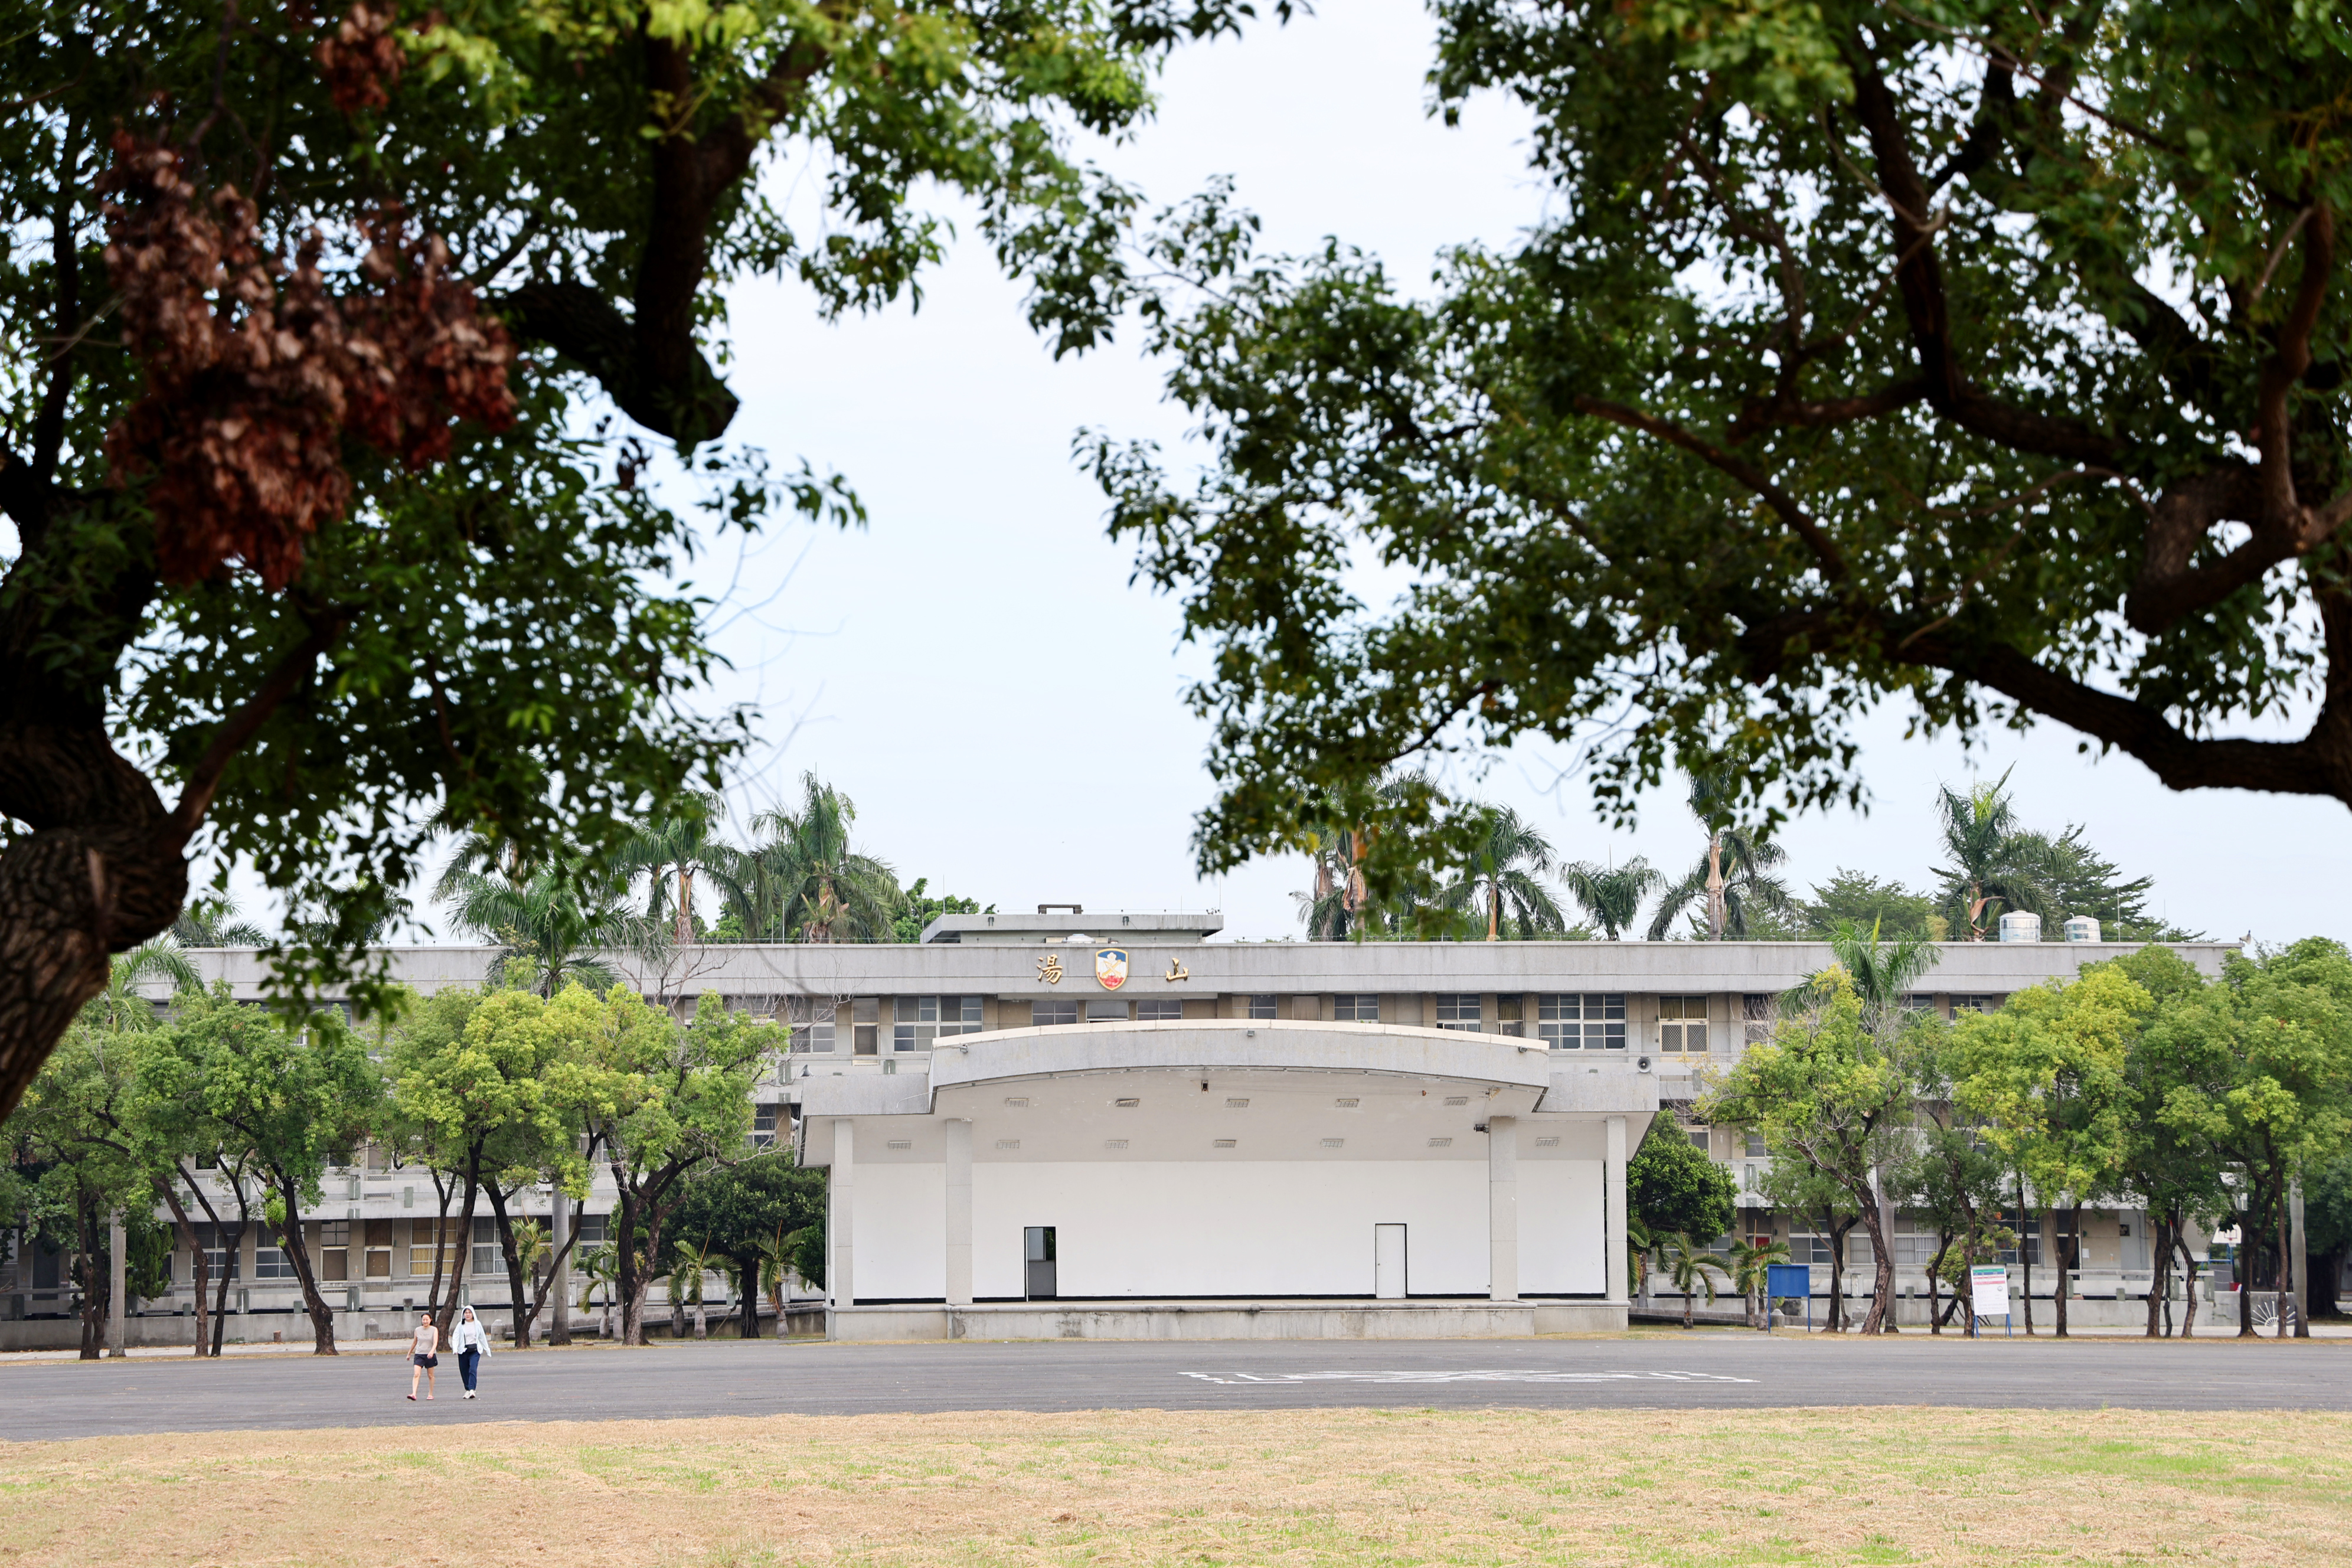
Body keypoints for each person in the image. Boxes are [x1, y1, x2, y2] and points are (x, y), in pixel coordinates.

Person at [451, 1304, 494, 1399]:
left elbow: (482, 1337)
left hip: (475, 1350)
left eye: (470, 1313)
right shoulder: (460, 1325)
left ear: (473, 1314)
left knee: (473, 1369)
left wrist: (487, 1349)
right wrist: (455, 1349)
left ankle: (472, 1389)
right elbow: (456, 1337)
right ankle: (467, 1389)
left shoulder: (477, 1324)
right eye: (466, 1313)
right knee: (464, 1371)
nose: (468, 1314)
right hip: (463, 1351)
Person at [407, 1311, 439, 1401]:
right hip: (419, 1354)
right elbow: (415, 1342)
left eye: (427, 1320)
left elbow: (435, 1342)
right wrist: (409, 1353)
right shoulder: (417, 1330)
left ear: (430, 1320)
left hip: (430, 1355)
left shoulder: (434, 1329)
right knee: (416, 1374)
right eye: (423, 1320)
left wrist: (432, 1352)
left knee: (430, 1375)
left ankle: (430, 1394)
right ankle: (414, 1394)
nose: (425, 1321)